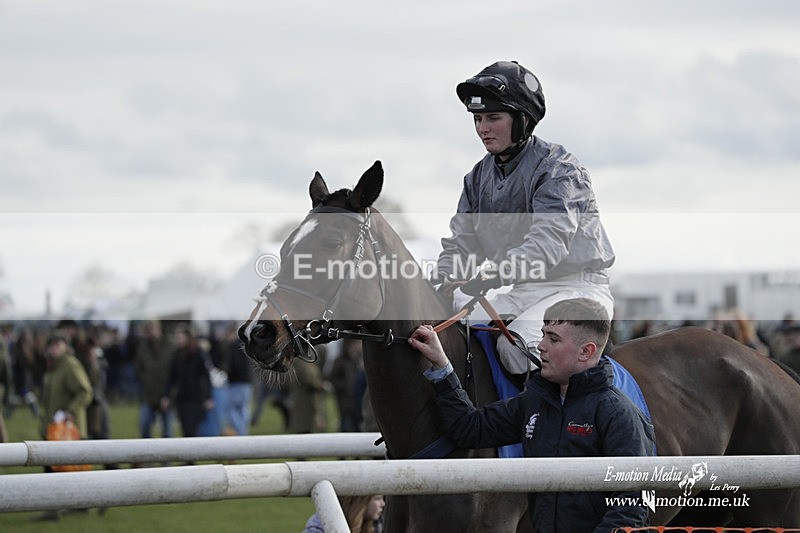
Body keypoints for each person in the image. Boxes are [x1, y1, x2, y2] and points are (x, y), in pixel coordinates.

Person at [408, 298, 653, 532]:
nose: (541, 345)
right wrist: (442, 365)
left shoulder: (617, 413)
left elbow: (632, 505)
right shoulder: (536, 401)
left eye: (553, 339)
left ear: (586, 352)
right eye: (544, 334)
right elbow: (472, 429)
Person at [436, 60, 615, 375]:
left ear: (522, 120)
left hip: (578, 289)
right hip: (524, 289)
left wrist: (494, 274)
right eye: (478, 119)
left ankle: (557, 421)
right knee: (448, 321)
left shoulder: (559, 169)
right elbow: (460, 247)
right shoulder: (477, 178)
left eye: (493, 118)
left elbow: (546, 246)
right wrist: (439, 282)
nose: (482, 128)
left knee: (522, 343)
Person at [160, 327, 213, 439]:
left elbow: (206, 377)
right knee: (186, 430)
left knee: (191, 430)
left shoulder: (198, 354)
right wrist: (166, 396)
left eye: (180, 338)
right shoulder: (177, 356)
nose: (178, 341)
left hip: (196, 398)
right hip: (182, 399)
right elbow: (171, 377)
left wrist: (208, 397)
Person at [134, 320, 174, 439]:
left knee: (167, 431)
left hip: (166, 394)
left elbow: (174, 372)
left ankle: (166, 457)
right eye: (150, 329)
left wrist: (169, 395)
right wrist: (145, 381)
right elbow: (139, 369)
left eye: (154, 329)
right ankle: (147, 456)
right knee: (144, 425)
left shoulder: (170, 347)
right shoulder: (143, 348)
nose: (152, 332)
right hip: (148, 394)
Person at [303, 494, 385, 533]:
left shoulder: (376, 525)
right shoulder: (324, 523)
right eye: (377, 499)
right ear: (359, 502)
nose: (383, 504)